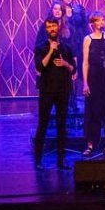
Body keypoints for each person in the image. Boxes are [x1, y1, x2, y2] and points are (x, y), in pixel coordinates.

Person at [32, 17, 76, 170]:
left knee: (61, 126)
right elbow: (40, 66)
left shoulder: (66, 48)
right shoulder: (40, 48)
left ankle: (61, 161)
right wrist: (51, 50)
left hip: (63, 91)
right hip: (47, 91)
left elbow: (73, 69)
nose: (52, 29)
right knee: (43, 124)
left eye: (54, 26)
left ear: (58, 27)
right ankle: (38, 160)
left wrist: (66, 64)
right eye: (49, 26)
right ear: (46, 29)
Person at [81, 12, 105, 156]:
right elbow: (85, 62)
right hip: (94, 77)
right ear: (92, 23)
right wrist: (85, 83)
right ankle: (90, 144)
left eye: (103, 20)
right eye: (98, 20)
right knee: (93, 111)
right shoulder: (88, 39)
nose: (101, 22)